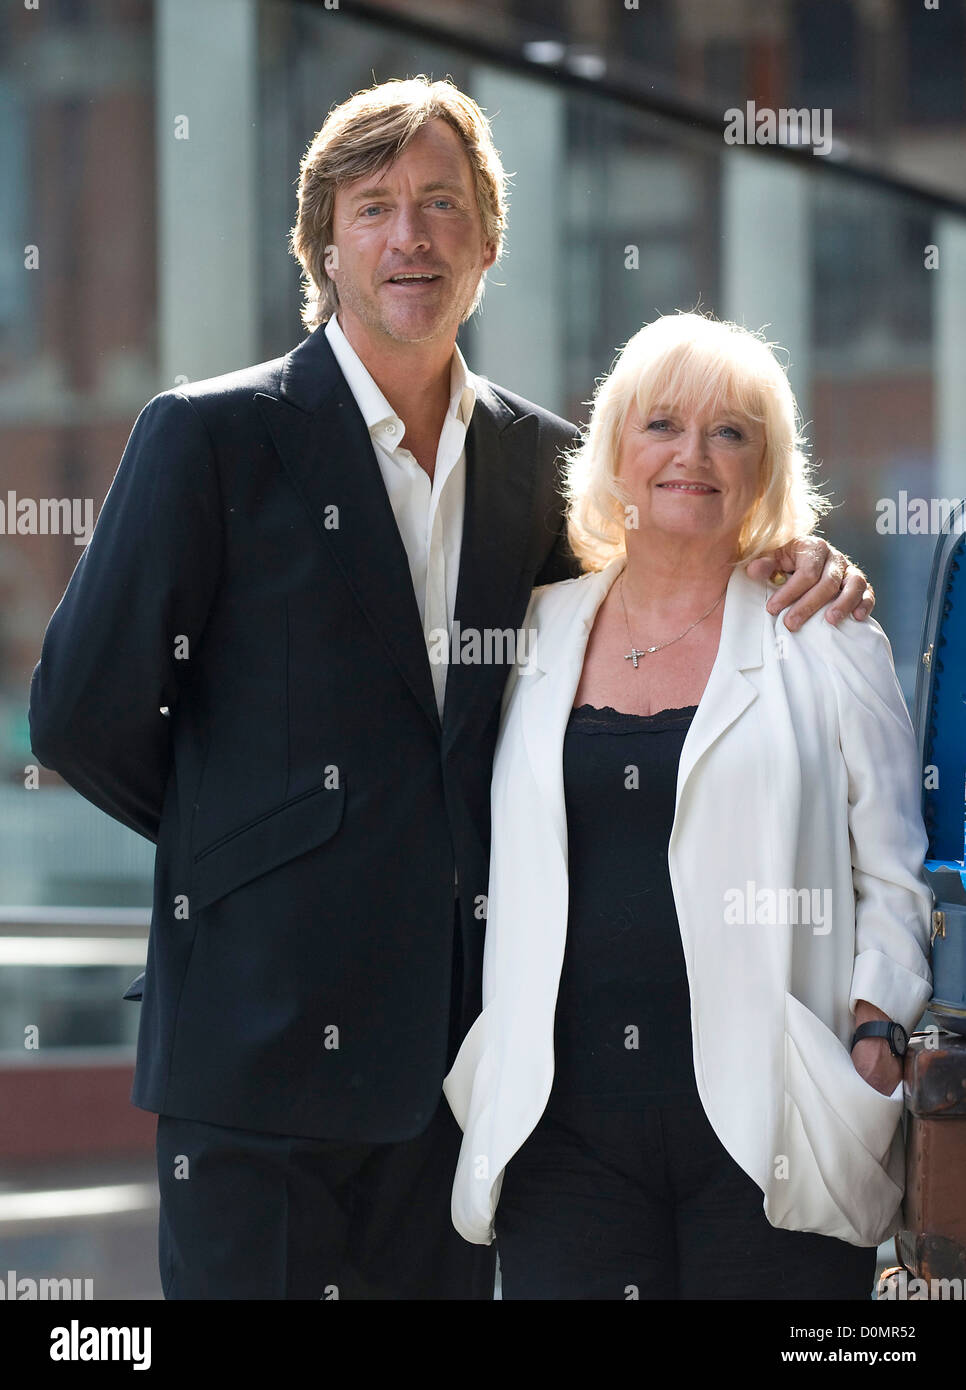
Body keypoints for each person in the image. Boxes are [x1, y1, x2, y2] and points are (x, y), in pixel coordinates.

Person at [28, 79, 874, 1301]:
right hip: (258, 1064)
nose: (409, 238)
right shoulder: (207, 440)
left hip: (463, 1074)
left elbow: (653, 605)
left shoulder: (543, 465)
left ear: (487, 240)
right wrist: (268, 846)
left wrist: (793, 554)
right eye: (374, 208)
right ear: (326, 241)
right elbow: (81, 714)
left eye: (441, 205)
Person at [444, 311, 933, 1301]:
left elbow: (894, 869)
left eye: (732, 432)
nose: (694, 456)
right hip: (559, 1130)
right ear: (617, 450)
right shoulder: (532, 631)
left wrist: (876, 1033)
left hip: (773, 1129)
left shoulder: (830, 635)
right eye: (663, 424)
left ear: (763, 467)